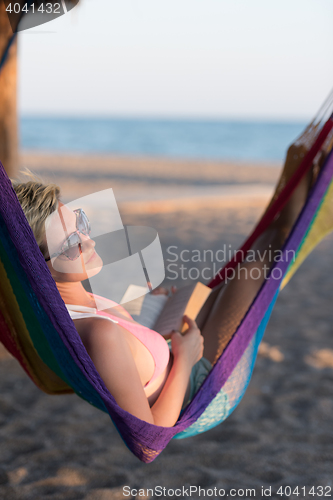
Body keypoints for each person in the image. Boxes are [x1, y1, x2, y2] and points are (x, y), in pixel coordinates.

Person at [11, 161, 314, 427]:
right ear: (37, 265)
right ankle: (313, 165)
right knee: (266, 255)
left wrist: (152, 309)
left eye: (80, 224)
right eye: (70, 244)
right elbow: (148, 439)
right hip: (201, 387)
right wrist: (185, 359)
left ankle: (308, 165)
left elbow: (125, 351)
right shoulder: (98, 332)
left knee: (251, 261)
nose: (89, 243)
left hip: (178, 351)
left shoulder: (68, 306)